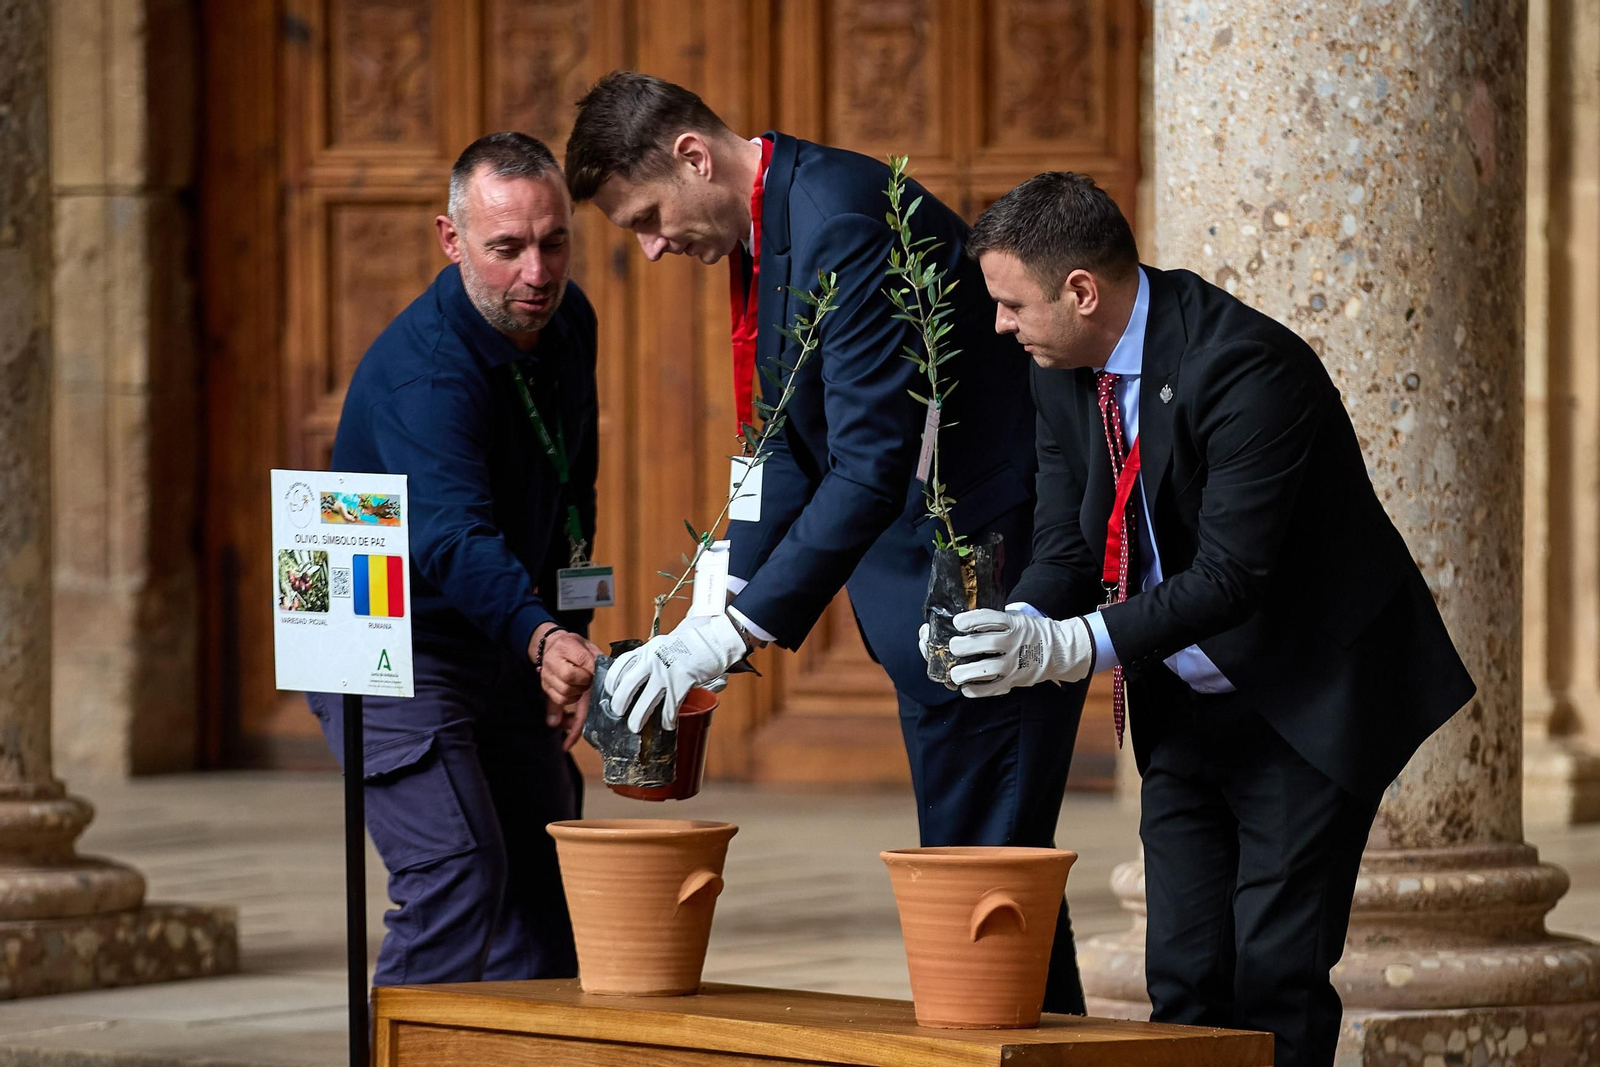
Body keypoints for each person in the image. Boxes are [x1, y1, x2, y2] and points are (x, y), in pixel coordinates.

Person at [563, 71, 1088, 1015]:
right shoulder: (778, 221)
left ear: (694, 157)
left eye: (646, 216)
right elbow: (785, 448)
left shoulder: (843, 216)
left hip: (981, 592)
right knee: (990, 887)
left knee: (985, 885)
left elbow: (869, 465)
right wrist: (713, 602)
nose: (647, 249)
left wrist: (732, 632)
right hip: (920, 601)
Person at [949, 171, 1475, 1066]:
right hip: (1182, 697)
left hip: (1300, 695)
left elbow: (1233, 577)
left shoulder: (1246, 365)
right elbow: (1068, 538)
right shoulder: (1060, 367)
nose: (999, 324)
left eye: (1010, 303)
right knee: (1186, 971)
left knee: (1277, 971)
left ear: (1080, 292)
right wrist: (1024, 620)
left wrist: (1072, 645)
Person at [307, 132, 602, 986]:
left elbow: (570, 483)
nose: (536, 274)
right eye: (505, 248)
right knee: (459, 872)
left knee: (550, 881)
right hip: (384, 635)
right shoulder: (426, 376)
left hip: (503, 630)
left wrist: (567, 631)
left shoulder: (566, 318)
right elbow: (449, 536)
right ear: (451, 239)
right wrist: (545, 639)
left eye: (554, 242)